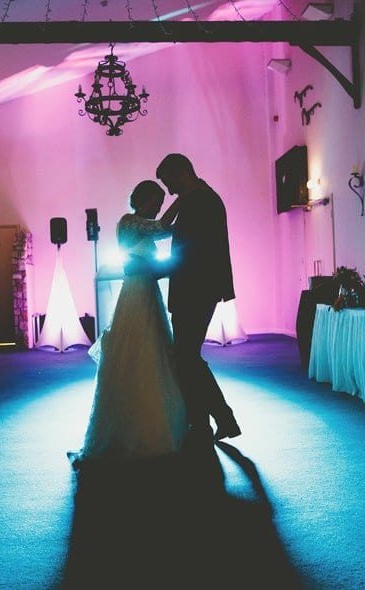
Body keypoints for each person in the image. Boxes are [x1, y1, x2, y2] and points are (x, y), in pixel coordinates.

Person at [70, 180, 185, 467]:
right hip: (136, 292)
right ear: (144, 200)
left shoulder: (137, 224)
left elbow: (165, 229)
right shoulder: (130, 222)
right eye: (157, 202)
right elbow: (162, 228)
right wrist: (184, 199)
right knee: (139, 346)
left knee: (152, 346)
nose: (159, 207)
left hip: (145, 290)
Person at [154, 153, 241, 443]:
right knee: (188, 358)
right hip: (200, 288)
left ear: (181, 173)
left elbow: (189, 251)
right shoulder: (202, 197)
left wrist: (155, 271)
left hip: (195, 289)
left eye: (168, 181)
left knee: (186, 358)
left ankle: (216, 419)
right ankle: (206, 421)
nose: (167, 190)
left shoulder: (199, 201)